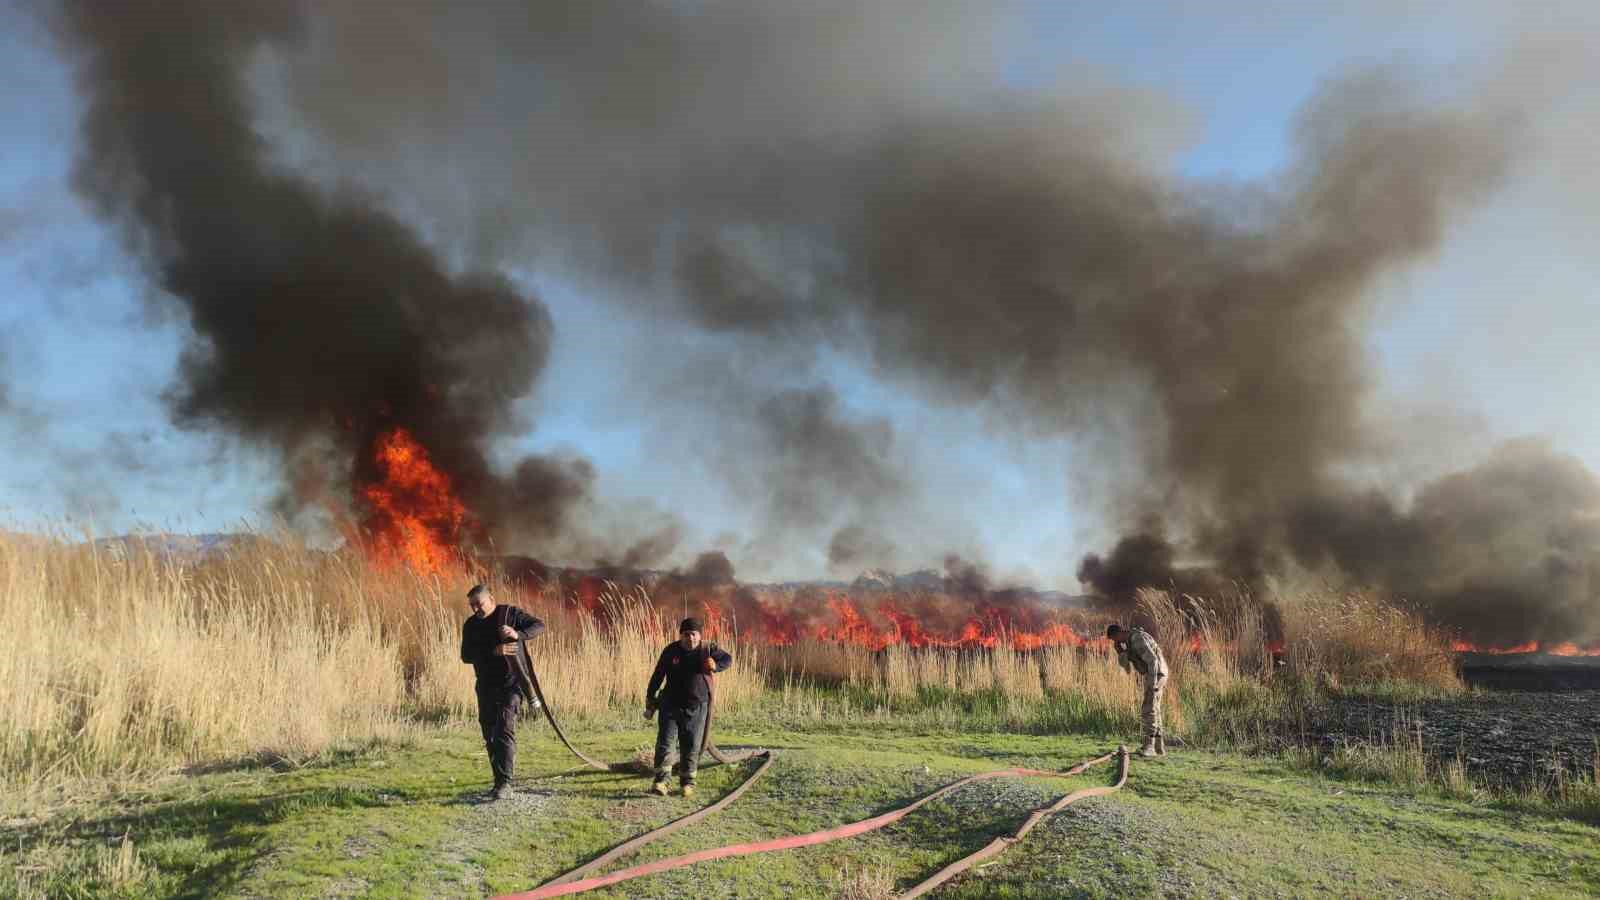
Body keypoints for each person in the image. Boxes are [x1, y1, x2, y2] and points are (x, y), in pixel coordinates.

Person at [460, 584, 545, 800]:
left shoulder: (509, 614)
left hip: (512, 684)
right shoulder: (470, 625)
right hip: (485, 686)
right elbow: (466, 656)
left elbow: (539, 626)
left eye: (479, 604)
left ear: (491, 599)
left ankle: (505, 784)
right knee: (489, 733)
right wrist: (493, 651)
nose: (475, 610)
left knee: (504, 729)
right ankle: (498, 781)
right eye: (472, 606)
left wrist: (518, 633)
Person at [643, 617, 733, 797]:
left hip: (697, 706)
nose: (689, 638)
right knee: (665, 743)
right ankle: (661, 781)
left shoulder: (708, 649)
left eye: (693, 634)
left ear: (700, 635)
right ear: (680, 635)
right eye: (686, 634)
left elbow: (727, 659)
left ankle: (687, 782)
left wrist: (716, 665)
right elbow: (658, 675)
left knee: (691, 745)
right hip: (670, 704)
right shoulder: (671, 651)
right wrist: (650, 697)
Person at [1107, 623, 1168, 758]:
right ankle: (1159, 747)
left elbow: (1153, 661)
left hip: (1156, 674)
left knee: (1148, 709)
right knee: (1154, 709)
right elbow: (1127, 669)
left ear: (1119, 633)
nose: (1115, 642)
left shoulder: (1136, 639)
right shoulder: (1129, 642)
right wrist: (1121, 652)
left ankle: (1150, 746)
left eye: (1114, 639)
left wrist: (1152, 683)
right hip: (1157, 674)